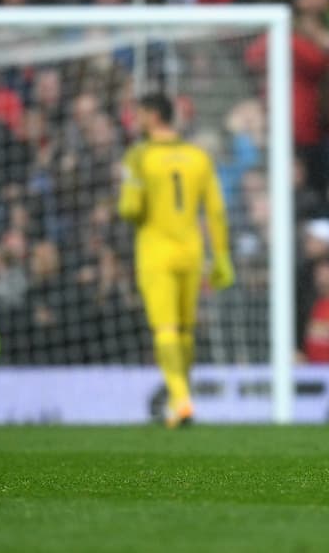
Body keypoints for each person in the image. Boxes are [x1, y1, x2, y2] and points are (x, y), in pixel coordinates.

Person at [118, 94, 234, 427]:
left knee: (165, 328)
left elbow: (129, 209)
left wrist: (134, 191)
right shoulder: (198, 156)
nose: (135, 120)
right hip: (191, 251)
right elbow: (215, 211)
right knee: (185, 329)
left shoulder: (139, 156)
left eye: (139, 114)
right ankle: (177, 401)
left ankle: (181, 399)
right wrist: (221, 256)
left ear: (153, 116)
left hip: (156, 251)